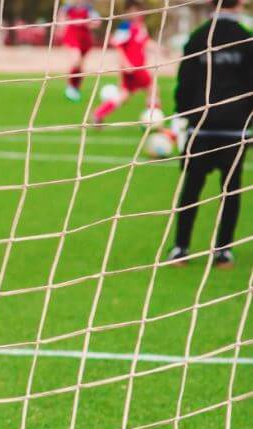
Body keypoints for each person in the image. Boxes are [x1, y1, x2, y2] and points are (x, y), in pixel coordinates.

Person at [167, 0, 251, 268]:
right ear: (239, 4)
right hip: (235, 128)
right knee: (230, 190)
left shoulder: (198, 37)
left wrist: (184, 116)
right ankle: (223, 251)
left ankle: (181, 248)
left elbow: (184, 82)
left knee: (191, 189)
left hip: (201, 128)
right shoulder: (246, 39)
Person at [92, 0, 162, 124]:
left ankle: (99, 113)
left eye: (138, 11)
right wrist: (125, 64)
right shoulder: (125, 26)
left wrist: (160, 49)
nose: (135, 13)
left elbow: (145, 42)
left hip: (136, 67)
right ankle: (153, 118)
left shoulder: (141, 27)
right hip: (133, 67)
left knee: (124, 95)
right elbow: (117, 46)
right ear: (128, 13)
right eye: (132, 11)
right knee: (153, 88)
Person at [58, 2, 102, 101]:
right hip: (72, 36)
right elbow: (60, 18)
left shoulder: (89, 7)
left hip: (85, 39)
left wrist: (87, 23)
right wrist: (62, 28)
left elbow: (97, 22)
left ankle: (76, 88)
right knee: (75, 61)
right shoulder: (68, 7)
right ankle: (70, 87)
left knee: (81, 66)